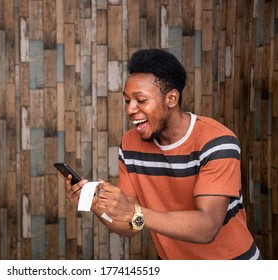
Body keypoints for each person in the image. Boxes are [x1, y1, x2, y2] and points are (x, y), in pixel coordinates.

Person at [63, 48, 261, 260]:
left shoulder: (217, 142)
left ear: (172, 98)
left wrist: (133, 212)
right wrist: (98, 207)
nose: (130, 109)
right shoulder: (130, 144)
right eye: (127, 100)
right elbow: (130, 226)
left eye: (140, 100)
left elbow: (207, 227)